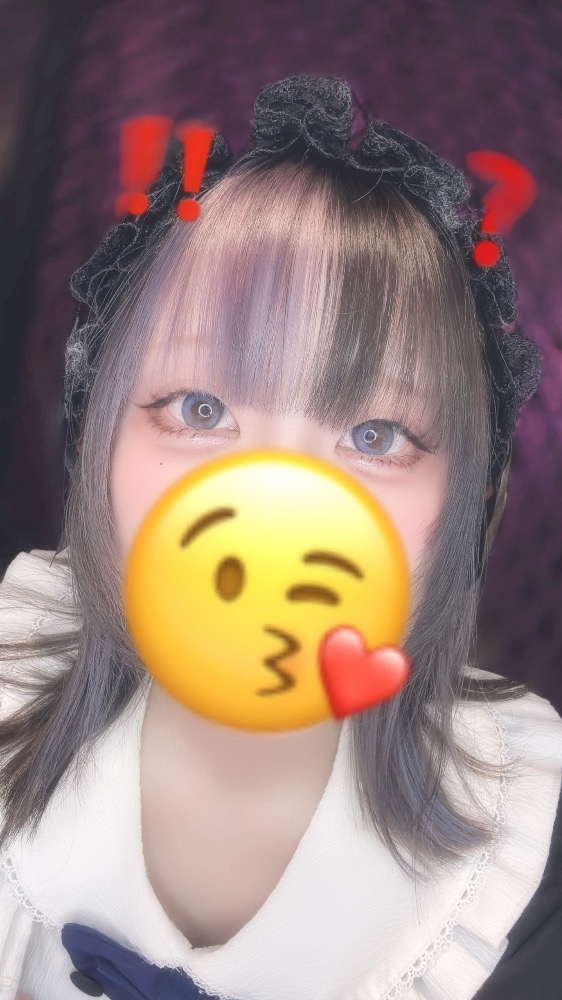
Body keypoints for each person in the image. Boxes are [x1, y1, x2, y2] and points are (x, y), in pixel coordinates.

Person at [0, 76, 560, 1000]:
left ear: (469, 500)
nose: (275, 513)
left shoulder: (524, 851)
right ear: (97, 440)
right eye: (200, 408)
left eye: (375, 435)